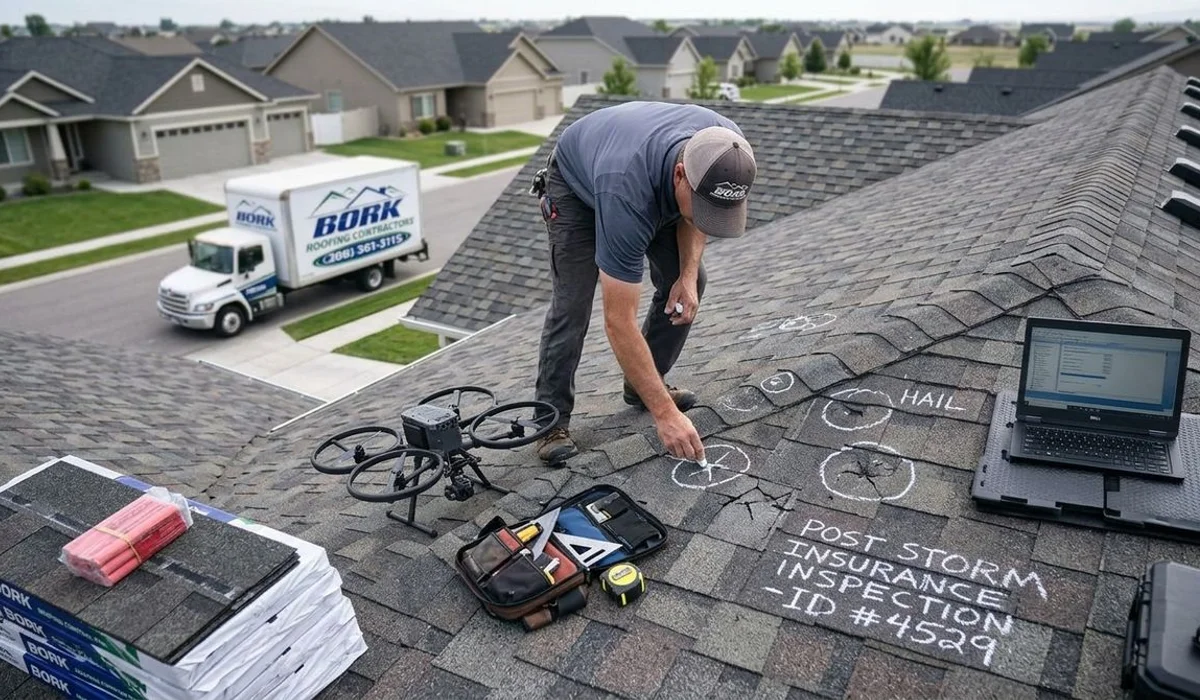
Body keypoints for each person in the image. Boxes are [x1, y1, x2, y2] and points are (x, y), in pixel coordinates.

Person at [529, 100, 758, 466]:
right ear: (681, 175)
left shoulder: (727, 150)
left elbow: (697, 215)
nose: (707, 217)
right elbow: (618, 321)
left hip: (643, 173)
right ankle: (550, 420)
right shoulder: (626, 192)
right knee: (572, 304)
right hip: (578, 187)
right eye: (702, 206)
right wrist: (666, 415)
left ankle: (643, 386)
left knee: (691, 279)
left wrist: (686, 277)